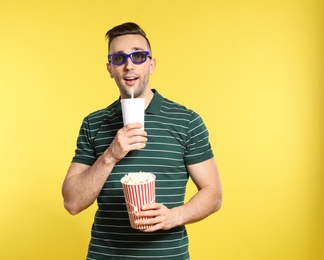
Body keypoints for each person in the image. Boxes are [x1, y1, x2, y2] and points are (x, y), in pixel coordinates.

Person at [62, 22, 222, 259]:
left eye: (138, 56)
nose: (129, 65)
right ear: (109, 69)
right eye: (118, 58)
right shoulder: (93, 123)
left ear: (151, 64)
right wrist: (111, 155)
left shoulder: (186, 121)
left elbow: (213, 193)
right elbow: (72, 203)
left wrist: (174, 216)